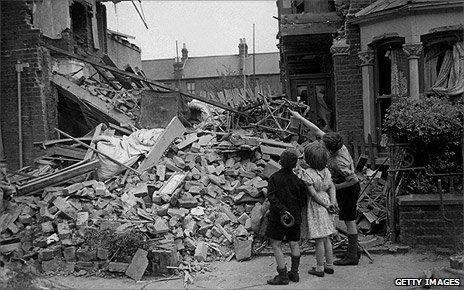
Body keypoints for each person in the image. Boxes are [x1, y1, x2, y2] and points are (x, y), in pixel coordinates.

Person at [289, 109, 361, 266]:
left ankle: (353, 255)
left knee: (349, 221)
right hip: (339, 186)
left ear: (330, 150)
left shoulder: (339, 162)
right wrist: (299, 117)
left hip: (348, 189)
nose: (320, 142)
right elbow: (316, 129)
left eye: (323, 143)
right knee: (347, 219)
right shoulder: (336, 144)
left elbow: (353, 180)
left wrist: (332, 186)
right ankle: (353, 249)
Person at [265, 148, 309, 285]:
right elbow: (303, 201)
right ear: (295, 165)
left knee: (276, 244)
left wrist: (282, 210)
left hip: (278, 217)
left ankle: (283, 275)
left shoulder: (274, 178)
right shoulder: (299, 181)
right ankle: (294, 273)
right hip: (295, 217)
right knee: (294, 243)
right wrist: (293, 210)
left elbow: (271, 197)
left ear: (280, 162)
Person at [299, 142, 338, 277]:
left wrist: (326, 205)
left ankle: (320, 267)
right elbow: (332, 187)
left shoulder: (307, 173)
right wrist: (332, 202)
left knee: (319, 240)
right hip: (326, 200)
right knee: (327, 238)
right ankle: (330, 265)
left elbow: (313, 194)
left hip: (317, 206)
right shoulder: (326, 171)